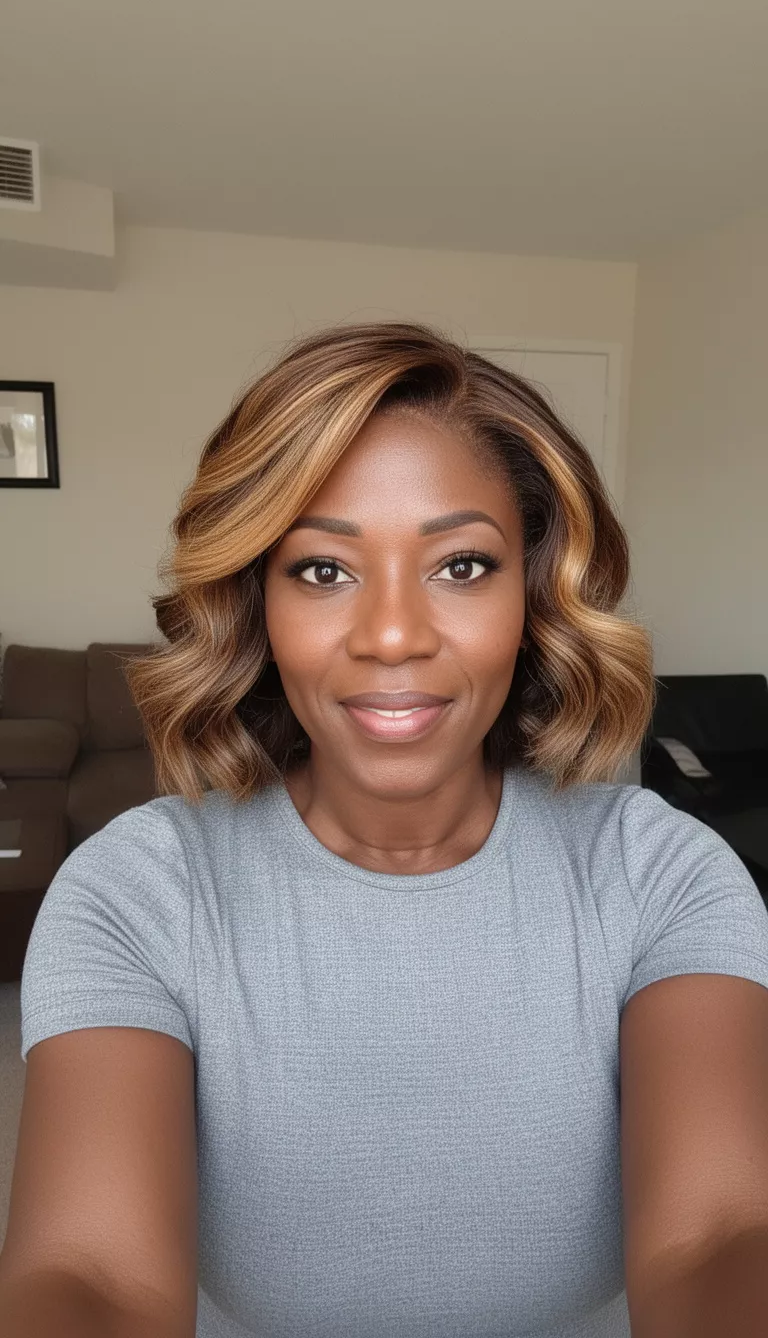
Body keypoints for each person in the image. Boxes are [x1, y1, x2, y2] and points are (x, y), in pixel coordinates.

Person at [3, 322, 768, 1338]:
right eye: (324, 570)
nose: (395, 634)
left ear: (532, 598)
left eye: (461, 566)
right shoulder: (134, 892)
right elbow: (90, 1273)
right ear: (256, 601)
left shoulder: (662, 871)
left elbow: (718, 1234)